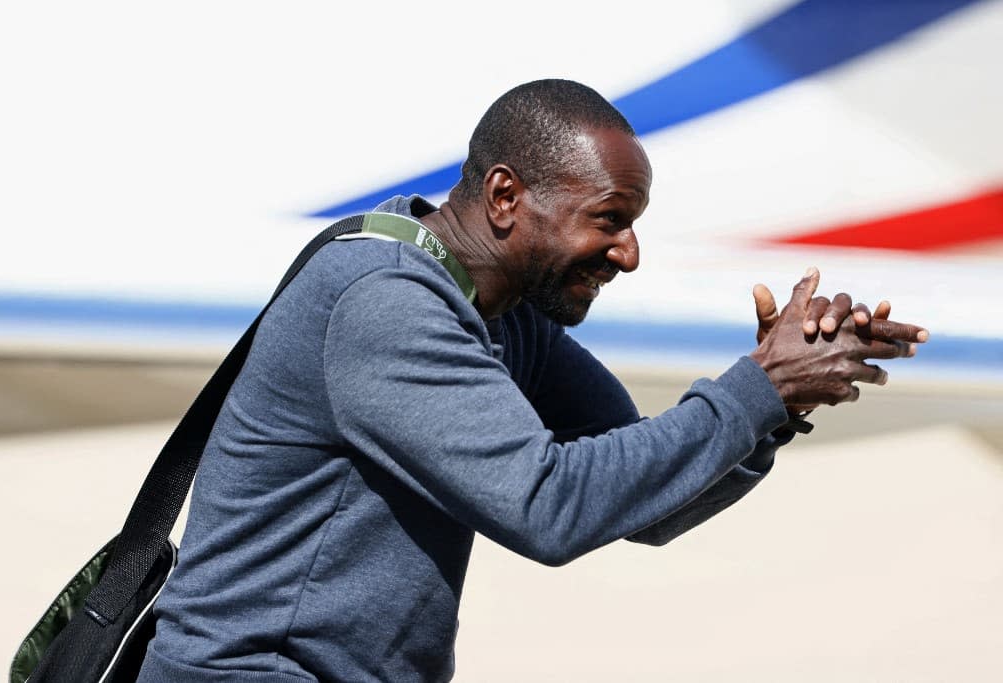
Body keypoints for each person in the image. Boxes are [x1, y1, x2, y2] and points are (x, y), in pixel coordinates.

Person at [136, 79, 927, 682]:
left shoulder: (502, 311)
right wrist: (757, 386)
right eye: (609, 219)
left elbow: (641, 501)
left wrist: (774, 404)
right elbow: (548, 506)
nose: (628, 253)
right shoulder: (385, 301)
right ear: (507, 197)